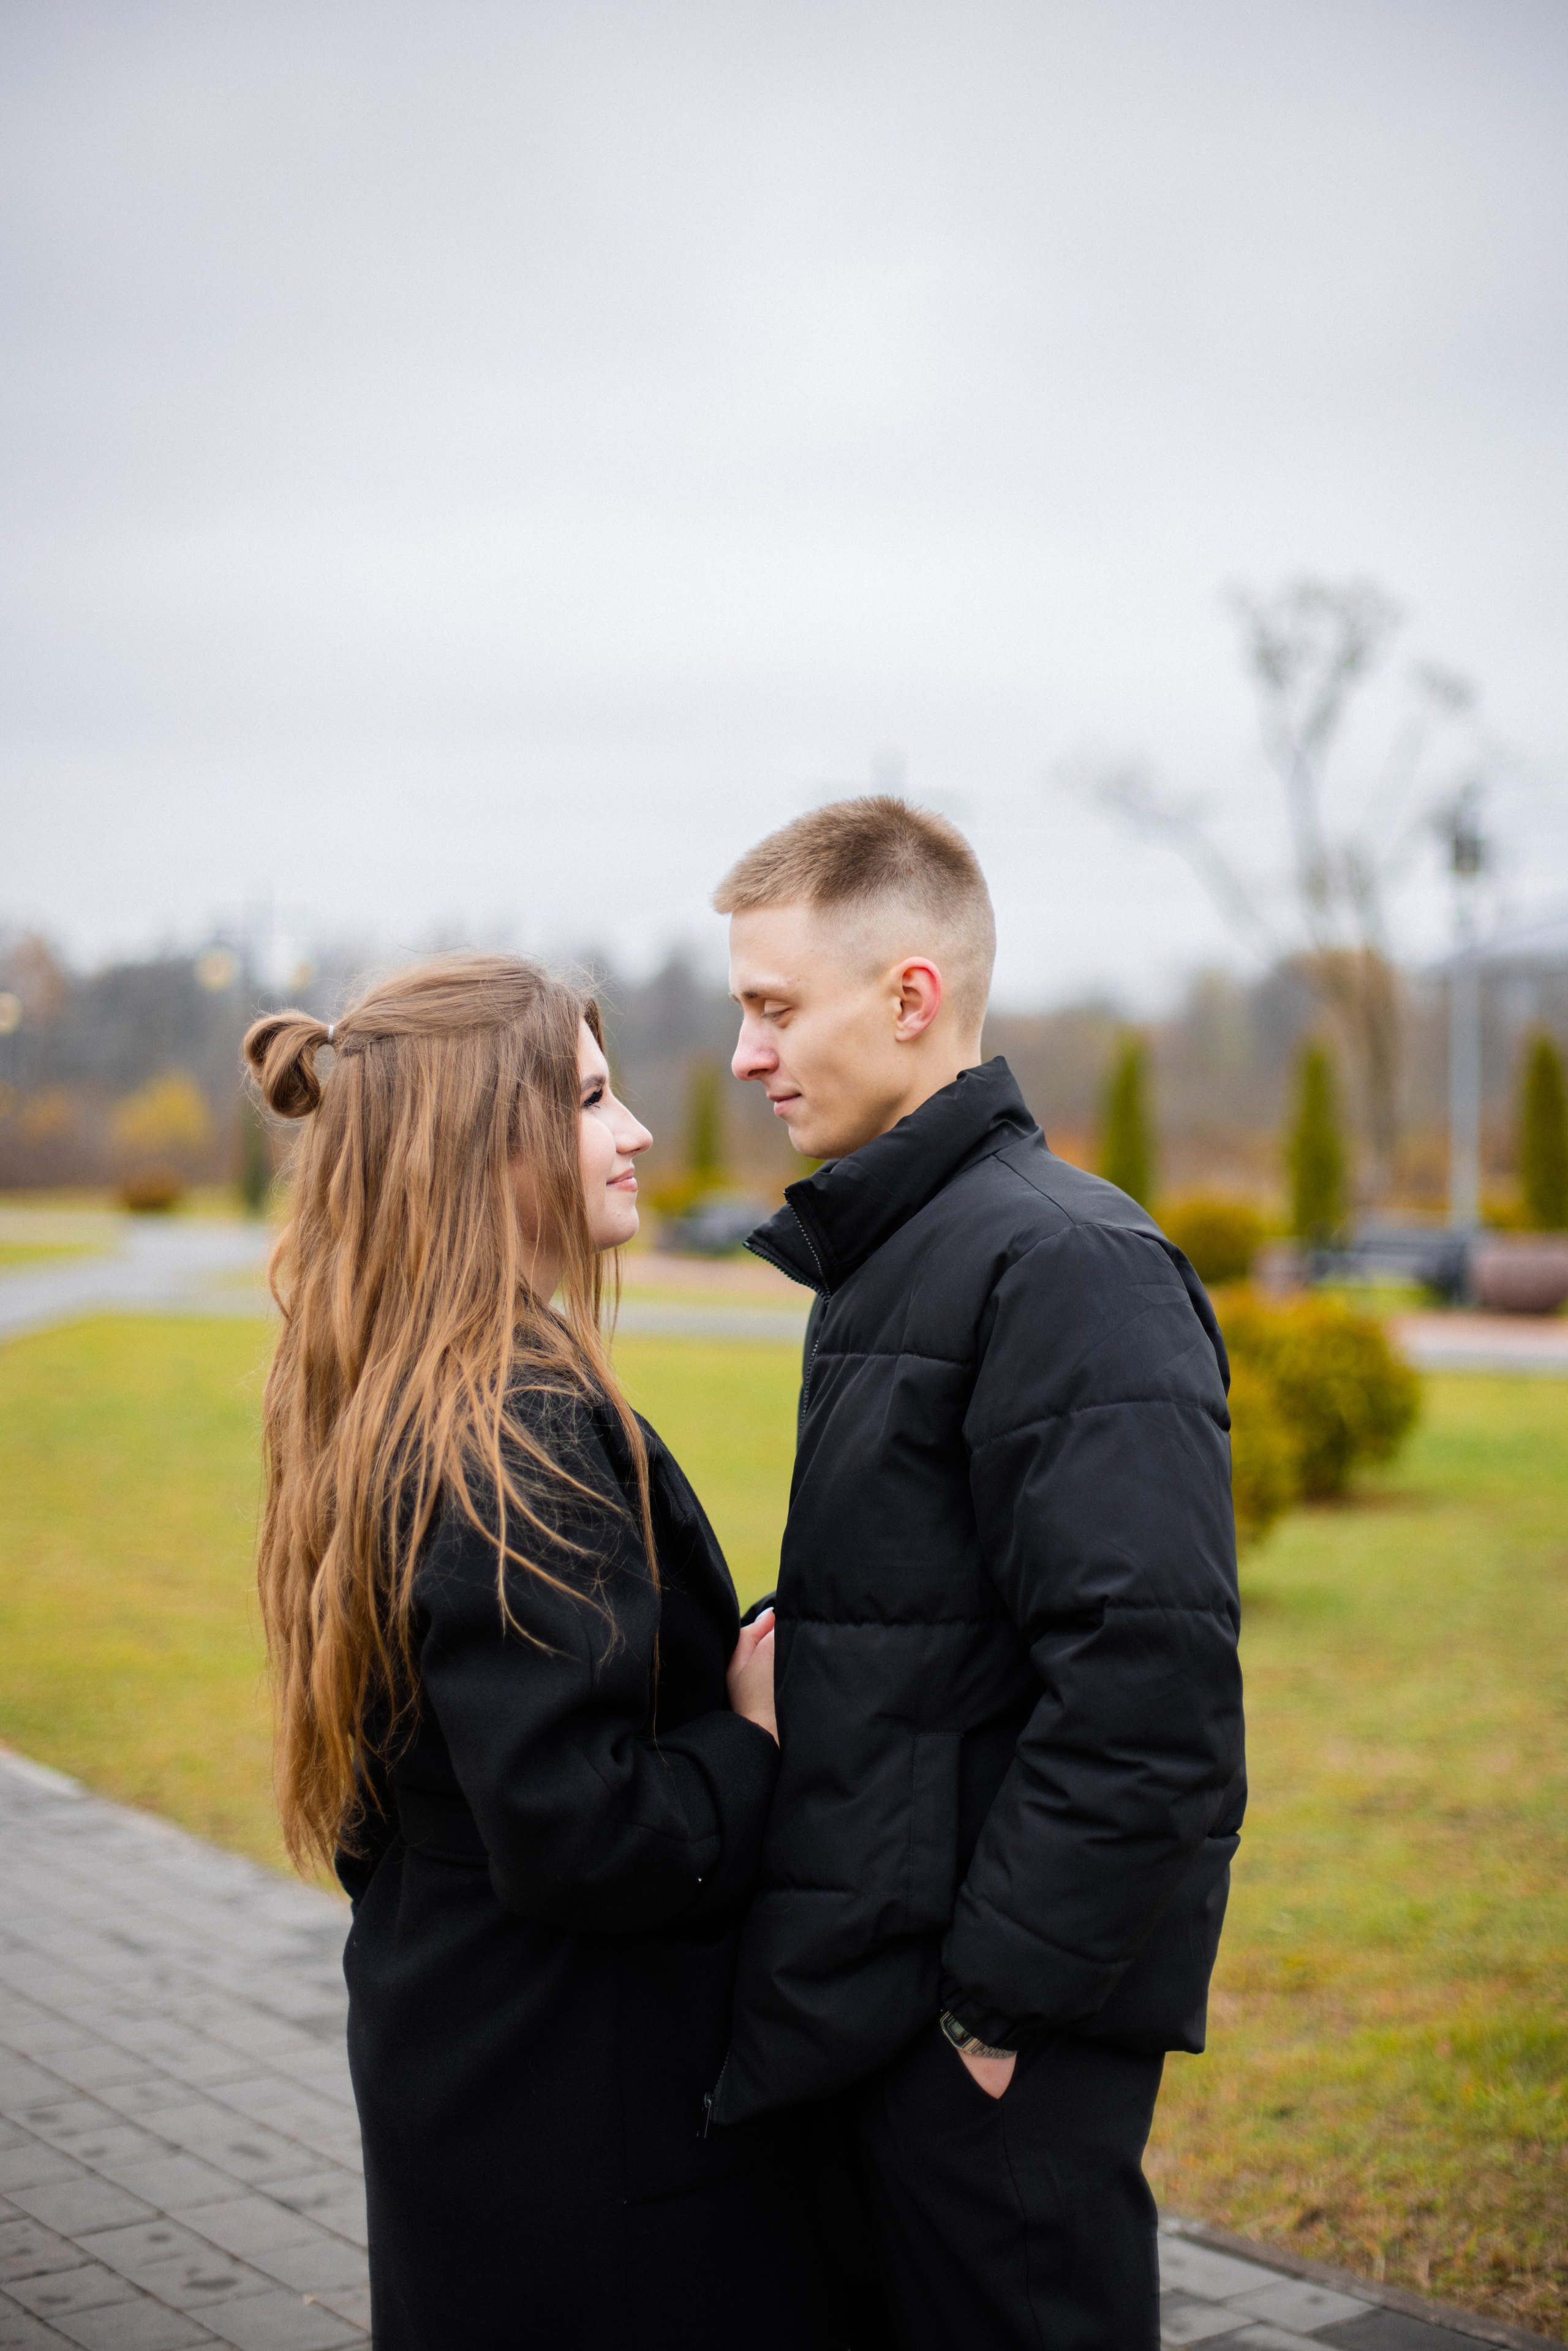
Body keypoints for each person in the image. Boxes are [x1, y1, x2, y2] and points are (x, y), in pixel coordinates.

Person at [706, 799, 1247, 2351]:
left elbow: (1146, 1699)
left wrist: (988, 2017)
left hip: (986, 2053)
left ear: (910, 997)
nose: (748, 1053)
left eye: (771, 1005)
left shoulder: (1064, 1262)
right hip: (874, 2019)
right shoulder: (897, 1245)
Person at [246, 954, 842, 2351]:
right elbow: (582, 1831)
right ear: (479, 1143)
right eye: (586, 1096)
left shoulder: (391, 1381)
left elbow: (389, 1800)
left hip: (459, 2051)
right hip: (575, 2111)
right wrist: (748, 1737)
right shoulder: (511, 1423)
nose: (632, 1127)